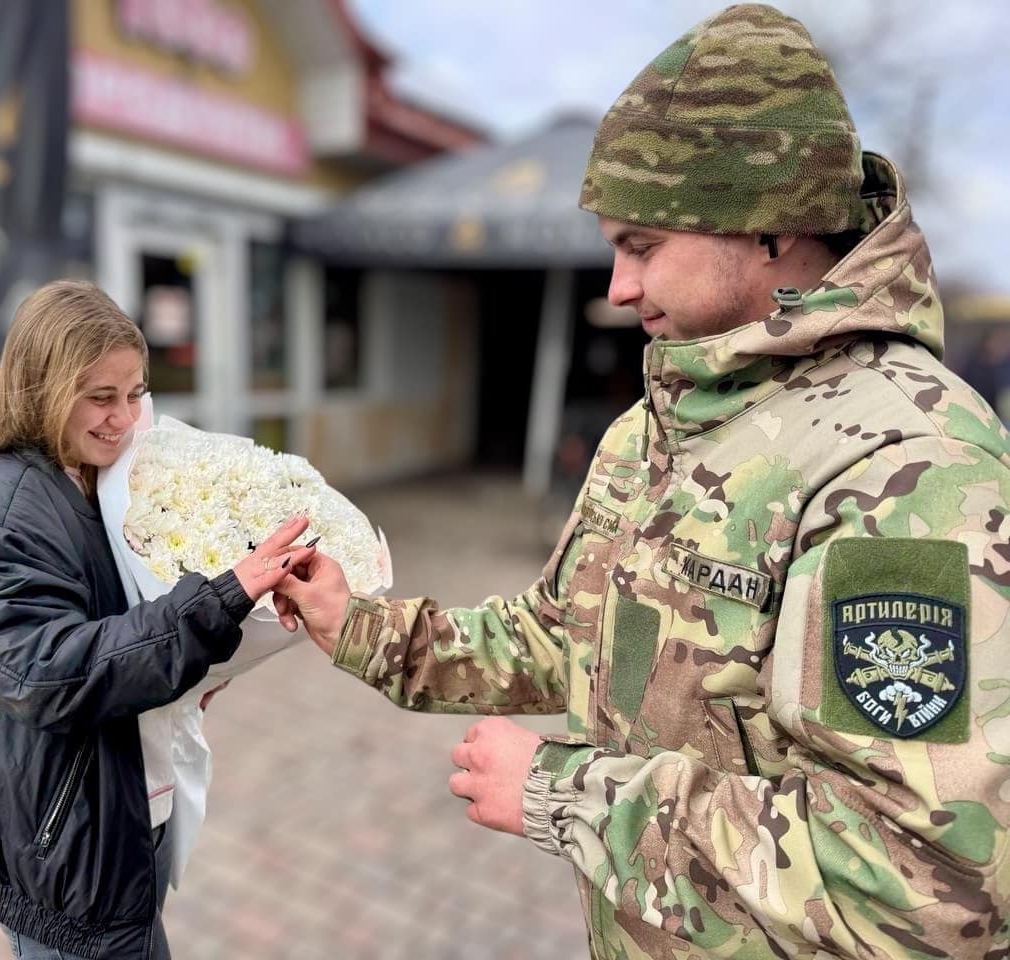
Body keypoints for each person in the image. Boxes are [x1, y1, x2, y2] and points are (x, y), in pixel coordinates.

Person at [275, 5, 1010, 958]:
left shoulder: (907, 463)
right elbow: (559, 634)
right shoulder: (658, 422)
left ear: (769, 228)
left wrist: (559, 791)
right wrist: (360, 628)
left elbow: (929, 884)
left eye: (643, 245)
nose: (618, 287)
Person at [0, 280, 314, 960]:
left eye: (136, 394)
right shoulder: (5, 507)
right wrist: (215, 605)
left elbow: (113, 623)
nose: (126, 418)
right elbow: (47, 671)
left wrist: (204, 653)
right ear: (40, 388)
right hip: (65, 855)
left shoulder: (79, 475)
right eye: (101, 397)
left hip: (100, 820)